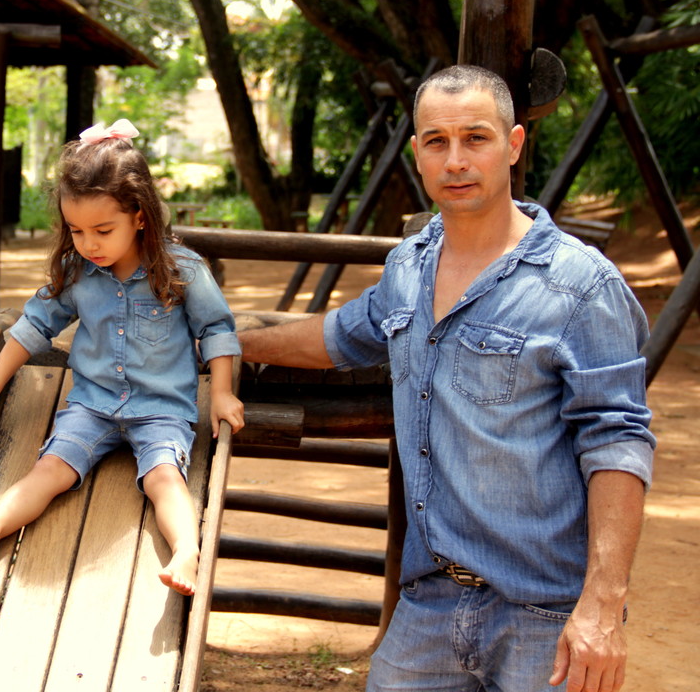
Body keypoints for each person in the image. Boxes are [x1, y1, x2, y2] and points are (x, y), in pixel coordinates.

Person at [239, 65, 655, 692]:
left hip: (546, 610)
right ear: (417, 154)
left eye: (476, 138)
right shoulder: (411, 266)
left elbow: (618, 441)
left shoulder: (581, 287)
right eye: (437, 141)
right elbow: (340, 336)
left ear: (513, 145)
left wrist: (601, 605)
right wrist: (230, 342)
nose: (456, 159)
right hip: (432, 603)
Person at [0, 119, 245, 595]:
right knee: (50, 469)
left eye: (103, 230)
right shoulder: (77, 272)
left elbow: (216, 328)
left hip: (161, 410)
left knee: (164, 479)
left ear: (140, 216)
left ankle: (187, 553)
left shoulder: (181, 269)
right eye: (76, 231)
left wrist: (223, 393)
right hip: (91, 406)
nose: (89, 244)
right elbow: (32, 328)